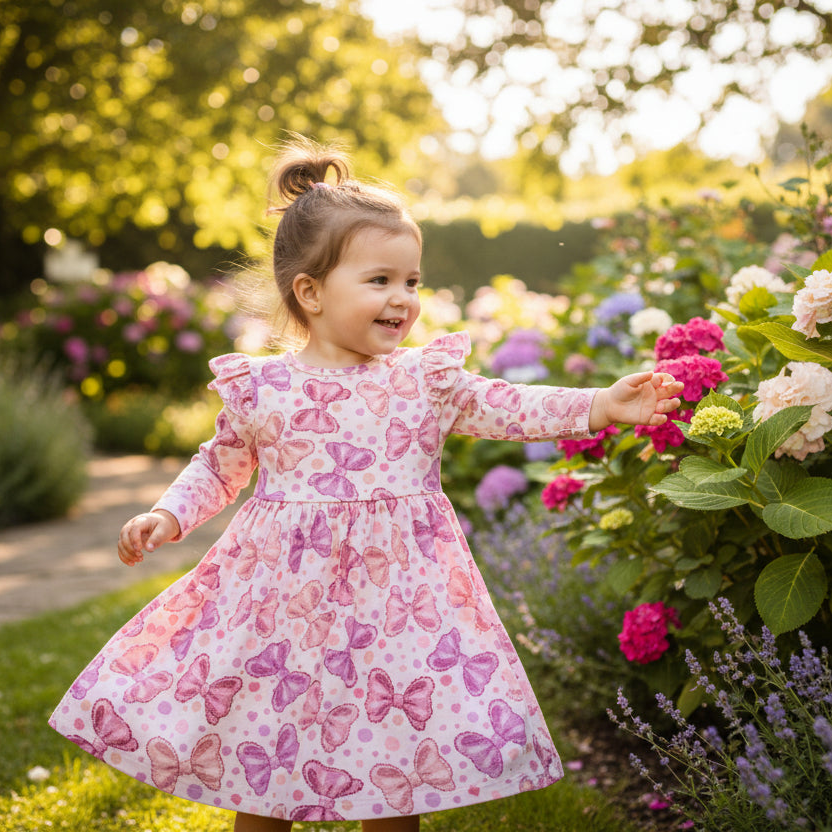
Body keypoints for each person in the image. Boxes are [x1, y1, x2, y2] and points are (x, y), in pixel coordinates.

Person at [48, 138, 684, 832]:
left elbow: (505, 404)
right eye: (380, 280)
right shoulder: (263, 386)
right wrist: (169, 515)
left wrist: (600, 404)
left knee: (393, 757)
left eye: (412, 282)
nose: (402, 299)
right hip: (281, 609)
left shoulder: (422, 380)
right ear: (311, 292)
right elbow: (220, 463)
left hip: (397, 611)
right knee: (265, 745)